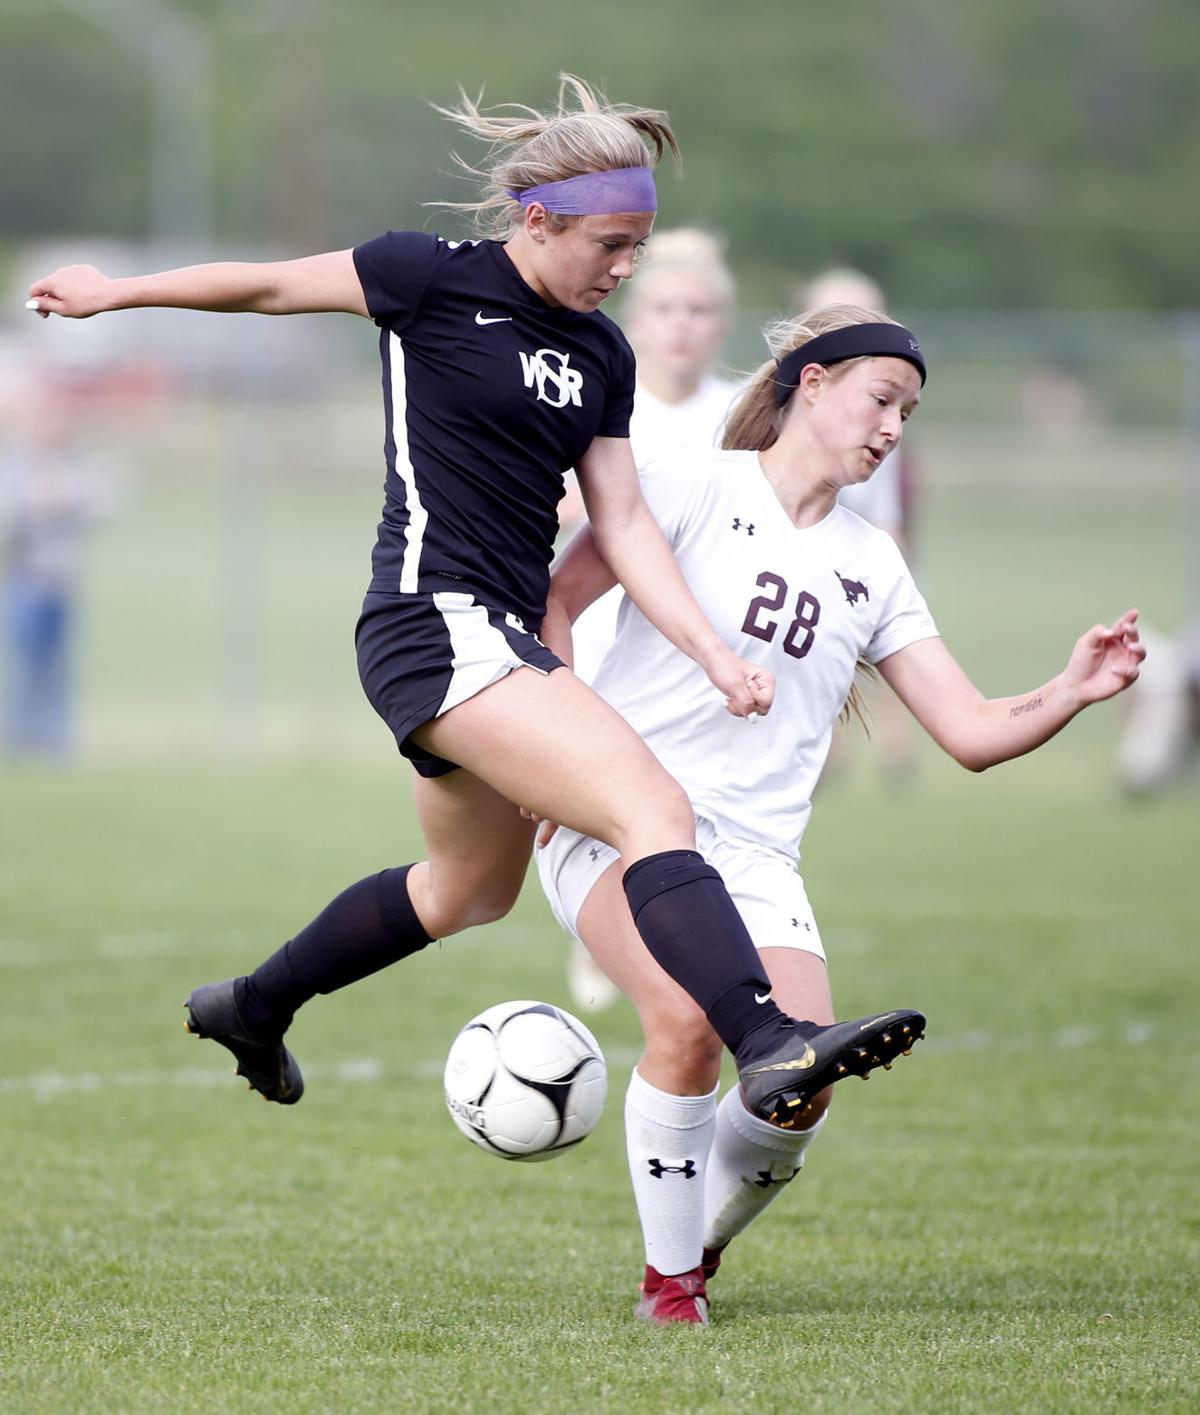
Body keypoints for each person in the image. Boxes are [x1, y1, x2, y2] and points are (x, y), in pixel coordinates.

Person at [26, 75, 921, 1130]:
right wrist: (113, 295)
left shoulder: (603, 352)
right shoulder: (427, 276)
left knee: (468, 891)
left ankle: (252, 1004)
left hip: (495, 637)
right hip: (430, 619)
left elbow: (623, 524)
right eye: (611, 245)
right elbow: (266, 289)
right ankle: (768, 1040)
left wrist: (713, 653)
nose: (626, 267)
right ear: (539, 221)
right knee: (654, 809)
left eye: (640, 245)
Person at [535, 305, 1146, 1324]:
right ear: (810, 384)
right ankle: (670, 1286)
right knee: (685, 1020)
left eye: (909, 412)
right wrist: (555, 746)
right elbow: (555, 599)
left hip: (761, 855)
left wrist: (1071, 690)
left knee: (799, 1084)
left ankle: (690, 1241)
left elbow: (970, 729)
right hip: (624, 820)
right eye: (881, 399)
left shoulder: (876, 561)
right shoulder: (689, 485)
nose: (894, 427)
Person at [565, 228, 740, 1010]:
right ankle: (602, 935)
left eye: (699, 309)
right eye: (666, 306)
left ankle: (690, 953)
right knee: (620, 801)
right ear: (638, 315)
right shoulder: (604, 398)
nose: (681, 324)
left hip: (701, 655)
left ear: (723, 323)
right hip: (603, 646)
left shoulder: (742, 417)